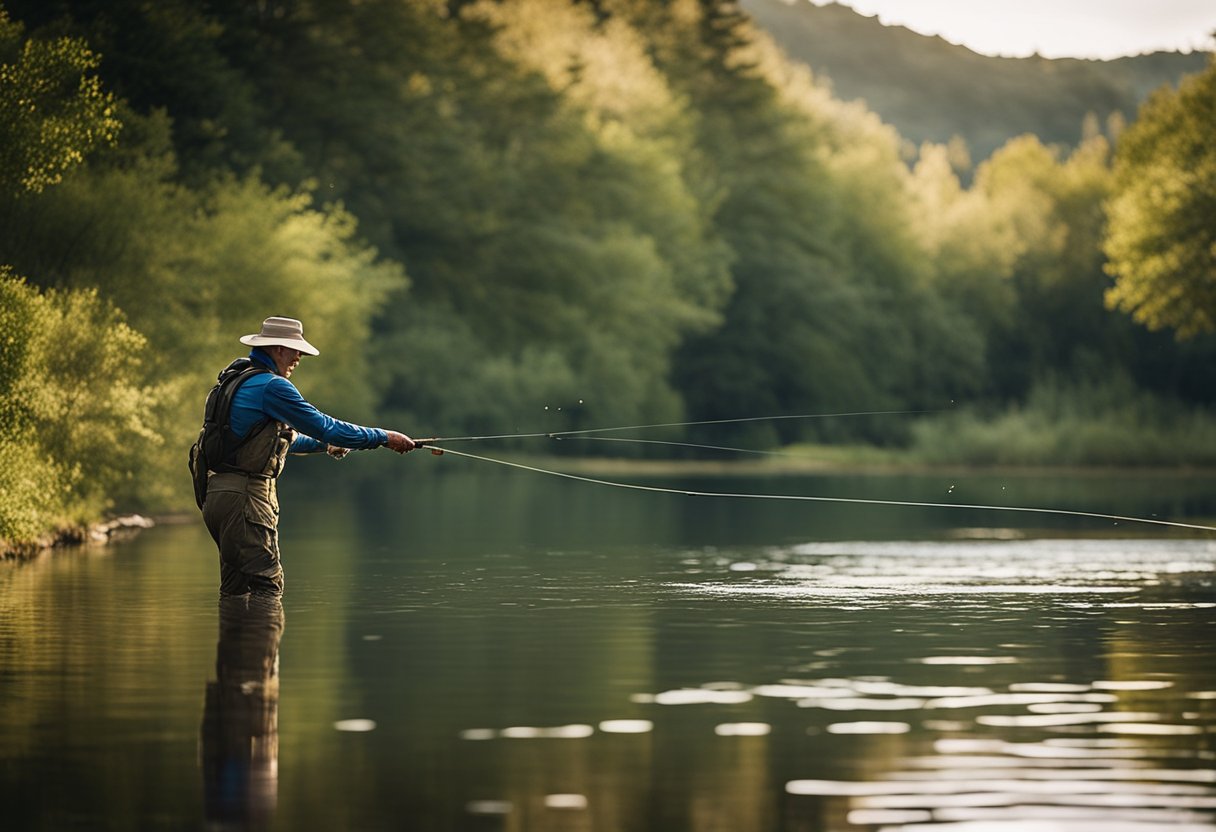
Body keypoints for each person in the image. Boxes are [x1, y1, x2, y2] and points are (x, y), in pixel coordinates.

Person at [201, 316, 415, 596]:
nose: (299, 356)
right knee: (267, 587)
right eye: (295, 349)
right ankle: (263, 640)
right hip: (245, 500)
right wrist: (384, 437)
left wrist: (323, 445)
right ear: (278, 349)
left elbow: (274, 441)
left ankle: (239, 640)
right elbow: (326, 426)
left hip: (218, 496)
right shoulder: (272, 386)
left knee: (236, 591)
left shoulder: (236, 380)